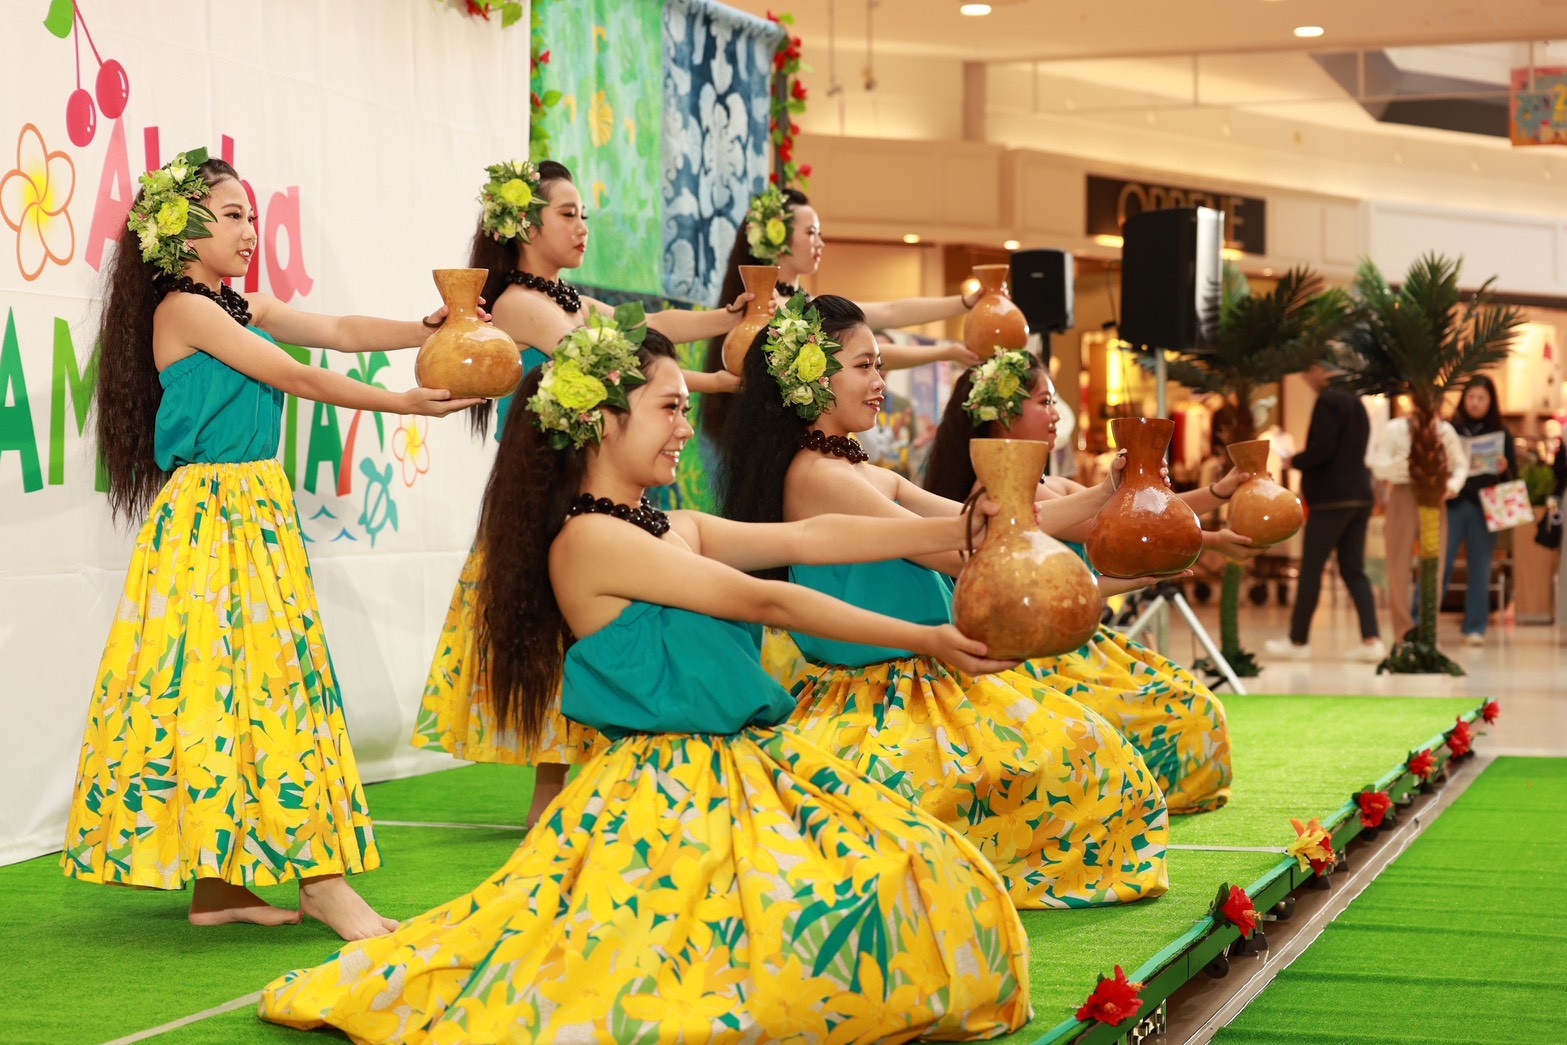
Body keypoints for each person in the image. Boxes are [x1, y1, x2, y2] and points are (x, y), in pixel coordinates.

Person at [258, 321, 1031, 1041]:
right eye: (669, 407)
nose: (685, 428)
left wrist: (960, 528)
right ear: (601, 420)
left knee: (928, 871)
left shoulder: (667, 525)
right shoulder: (590, 540)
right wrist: (929, 637)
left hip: (741, 772)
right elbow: (767, 598)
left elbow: (809, 536)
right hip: (663, 797)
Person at [63, 149, 481, 941]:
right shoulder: (185, 311)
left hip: (250, 510)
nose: (250, 229)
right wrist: (403, 403)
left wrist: (422, 328)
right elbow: (303, 376)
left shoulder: (235, 305)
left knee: (238, 687)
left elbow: (338, 332)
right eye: (232, 215)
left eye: (252, 214)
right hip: (212, 518)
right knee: (255, 686)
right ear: (181, 230)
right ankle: (323, 884)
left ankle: (219, 888)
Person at [717, 294, 1169, 910]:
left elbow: (1002, 526)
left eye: (880, 365)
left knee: (1096, 754)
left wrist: (1109, 490)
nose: (880, 381)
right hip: (877, 703)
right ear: (812, 378)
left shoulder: (867, 472)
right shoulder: (818, 477)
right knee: (1074, 765)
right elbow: (959, 552)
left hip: (935, 683)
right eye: (865, 366)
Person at [415, 159, 751, 826]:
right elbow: (616, 355)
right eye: (567, 214)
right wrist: (691, 378)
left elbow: (645, 332)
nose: (581, 226)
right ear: (522, 224)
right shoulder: (518, 303)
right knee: (561, 698)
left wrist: (725, 326)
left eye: (584, 215)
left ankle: (570, 834)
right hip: (548, 506)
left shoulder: (564, 299)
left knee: (572, 708)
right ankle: (557, 844)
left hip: (582, 499)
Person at [923, 349, 1238, 813]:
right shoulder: (991, 496)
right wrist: (1207, 529)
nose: (1056, 415)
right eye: (1044, 402)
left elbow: (1142, 514)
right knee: (1186, 716)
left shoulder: (1054, 484)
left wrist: (1213, 498)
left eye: (1054, 402)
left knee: (1195, 705)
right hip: (1038, 657)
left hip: (1082, 642)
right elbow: (1121, 527)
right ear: (1002, 413)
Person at [700, 184, 981, 438]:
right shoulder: (772, 311)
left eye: (820, 234)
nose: (820, 243)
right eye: (811, 233)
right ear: (777, 239)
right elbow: (863, 356)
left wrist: (965, 303)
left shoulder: (805, 305)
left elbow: (892, 312)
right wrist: (944, 352)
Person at [1263, 361, 1383, 661]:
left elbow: (1323, 449)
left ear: (1320, 369)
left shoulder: (1329, 399)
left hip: (1332, 498)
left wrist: (1294, 461)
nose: (1307, 380)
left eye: (1307, 373)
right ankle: (1372, 640)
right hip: (1360, 494)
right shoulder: (1356, 400)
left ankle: (1297, 641)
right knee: (1353, 569)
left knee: (1312, 568)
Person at [1367, 403, 1467, 641]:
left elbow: (1460, 465)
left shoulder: (1444, 431)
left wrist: (1451, 487)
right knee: (1397, 563)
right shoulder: (1395, 429)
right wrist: (1405, 465)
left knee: (1435, 563)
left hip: (1434, 495)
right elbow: (1378, 466)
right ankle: (1403, 632)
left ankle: (1429, 630)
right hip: (1402, 493)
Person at [1441, 374, 1517, 644]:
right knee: (1441, 563)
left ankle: (1474, 627)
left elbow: (1513, 479)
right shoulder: (1450, 428)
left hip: (1485, 507)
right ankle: (1422, 621)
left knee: (1480, 567)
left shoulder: (1501, 432)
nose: (1474, 403)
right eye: (1471, 397)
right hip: (1453, 503)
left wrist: (1504, 469)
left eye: (1481, 398)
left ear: (1490, 401)